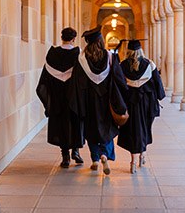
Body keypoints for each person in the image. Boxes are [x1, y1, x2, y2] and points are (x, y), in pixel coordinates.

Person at [69, 25, 128, 175]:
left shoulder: (82, 59)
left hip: (88, 102)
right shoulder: (110, 57)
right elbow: (120, 80)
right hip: (106, 102)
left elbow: (76, 82)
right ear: (101, 41)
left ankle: (95, 158)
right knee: (106, 129)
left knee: (91, 129)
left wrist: (79, 102)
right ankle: (104, 155)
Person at [36, 27, 84, 168]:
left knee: (61, 124)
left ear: (61, 37)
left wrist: (48, 101)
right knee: (75, 122)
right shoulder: (78, 54)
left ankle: (65, 156)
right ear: (74, 39)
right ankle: (76, 151)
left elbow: (44, 81)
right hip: (73, 97)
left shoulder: (52, 54)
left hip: (58, 97)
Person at [117, 39, 166, 174]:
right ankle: (142, 155)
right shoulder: (149, 65)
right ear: (140, 51)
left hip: (130, 103)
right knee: (144, 128)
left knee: (132, 131)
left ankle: (133, 161)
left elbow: (119, 86)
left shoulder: (122, 66)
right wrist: (160, 96)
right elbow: (158, 84)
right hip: (146, 104)